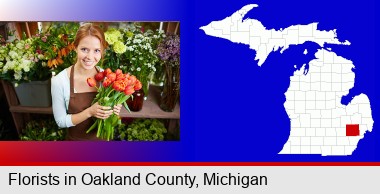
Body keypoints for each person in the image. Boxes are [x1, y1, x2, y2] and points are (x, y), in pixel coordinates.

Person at [51, 23, 122, 140]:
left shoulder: (106, 76)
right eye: (84, 49)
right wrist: (89, 112)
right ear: (75, 47)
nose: (90, 56)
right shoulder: (60, 81)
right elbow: (61, 121)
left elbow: (110, 116)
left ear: (102, 51)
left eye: (96, 50)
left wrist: (114, 108)